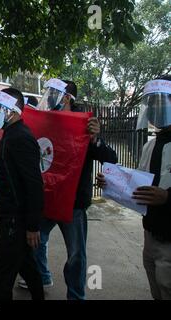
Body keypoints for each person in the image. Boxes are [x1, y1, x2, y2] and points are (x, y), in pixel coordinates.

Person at [19, 78, 117, 300]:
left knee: (75, 255)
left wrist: (95, 140)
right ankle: (42, 276)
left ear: (65, 97)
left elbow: (111, 159)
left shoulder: (84, 126)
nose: (49, 96)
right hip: (47, 199)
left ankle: (75, 295)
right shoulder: (46, 122)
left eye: (53, 93)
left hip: (73, 204)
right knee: (35, 242)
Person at [97, 75, 171, 300]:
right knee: (157, 289)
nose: (153, 109)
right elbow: (138, 186)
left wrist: (168, 197)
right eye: (150, 103)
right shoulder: (151, 145)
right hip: (150, 233)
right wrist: (112, 183)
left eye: (159, 102)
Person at [0, 88, 45, 300]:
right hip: (12, 215)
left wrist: (32, 226)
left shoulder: (20, 137)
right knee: (27, 266)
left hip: (16, 220)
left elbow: (33, 185)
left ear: (11, 110)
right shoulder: (10, 134)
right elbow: (13, 177)